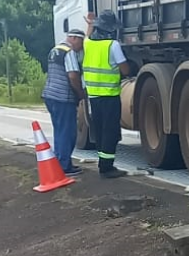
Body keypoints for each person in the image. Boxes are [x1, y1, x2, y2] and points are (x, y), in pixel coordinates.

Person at [82, 10, 131, 179]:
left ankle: (103, 163)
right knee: (110, 131)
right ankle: (107, 167)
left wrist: (89, 24)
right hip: (109, 95)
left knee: (101, 130)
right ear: (111, 29)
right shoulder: (113, 45)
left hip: (94, 96)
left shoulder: (88, 44)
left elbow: (87, 37)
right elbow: (124, 68)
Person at [41, 29, 87, 177]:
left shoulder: (55, 50)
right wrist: (80, 94)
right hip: (63, 97)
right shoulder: (69, 52)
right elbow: (73, 76)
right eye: (81, 42)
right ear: (73, 38)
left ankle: (60, 162)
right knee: (68, 133)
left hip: (50, 95)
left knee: (59, 130)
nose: (81, 47)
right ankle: (64, 165)